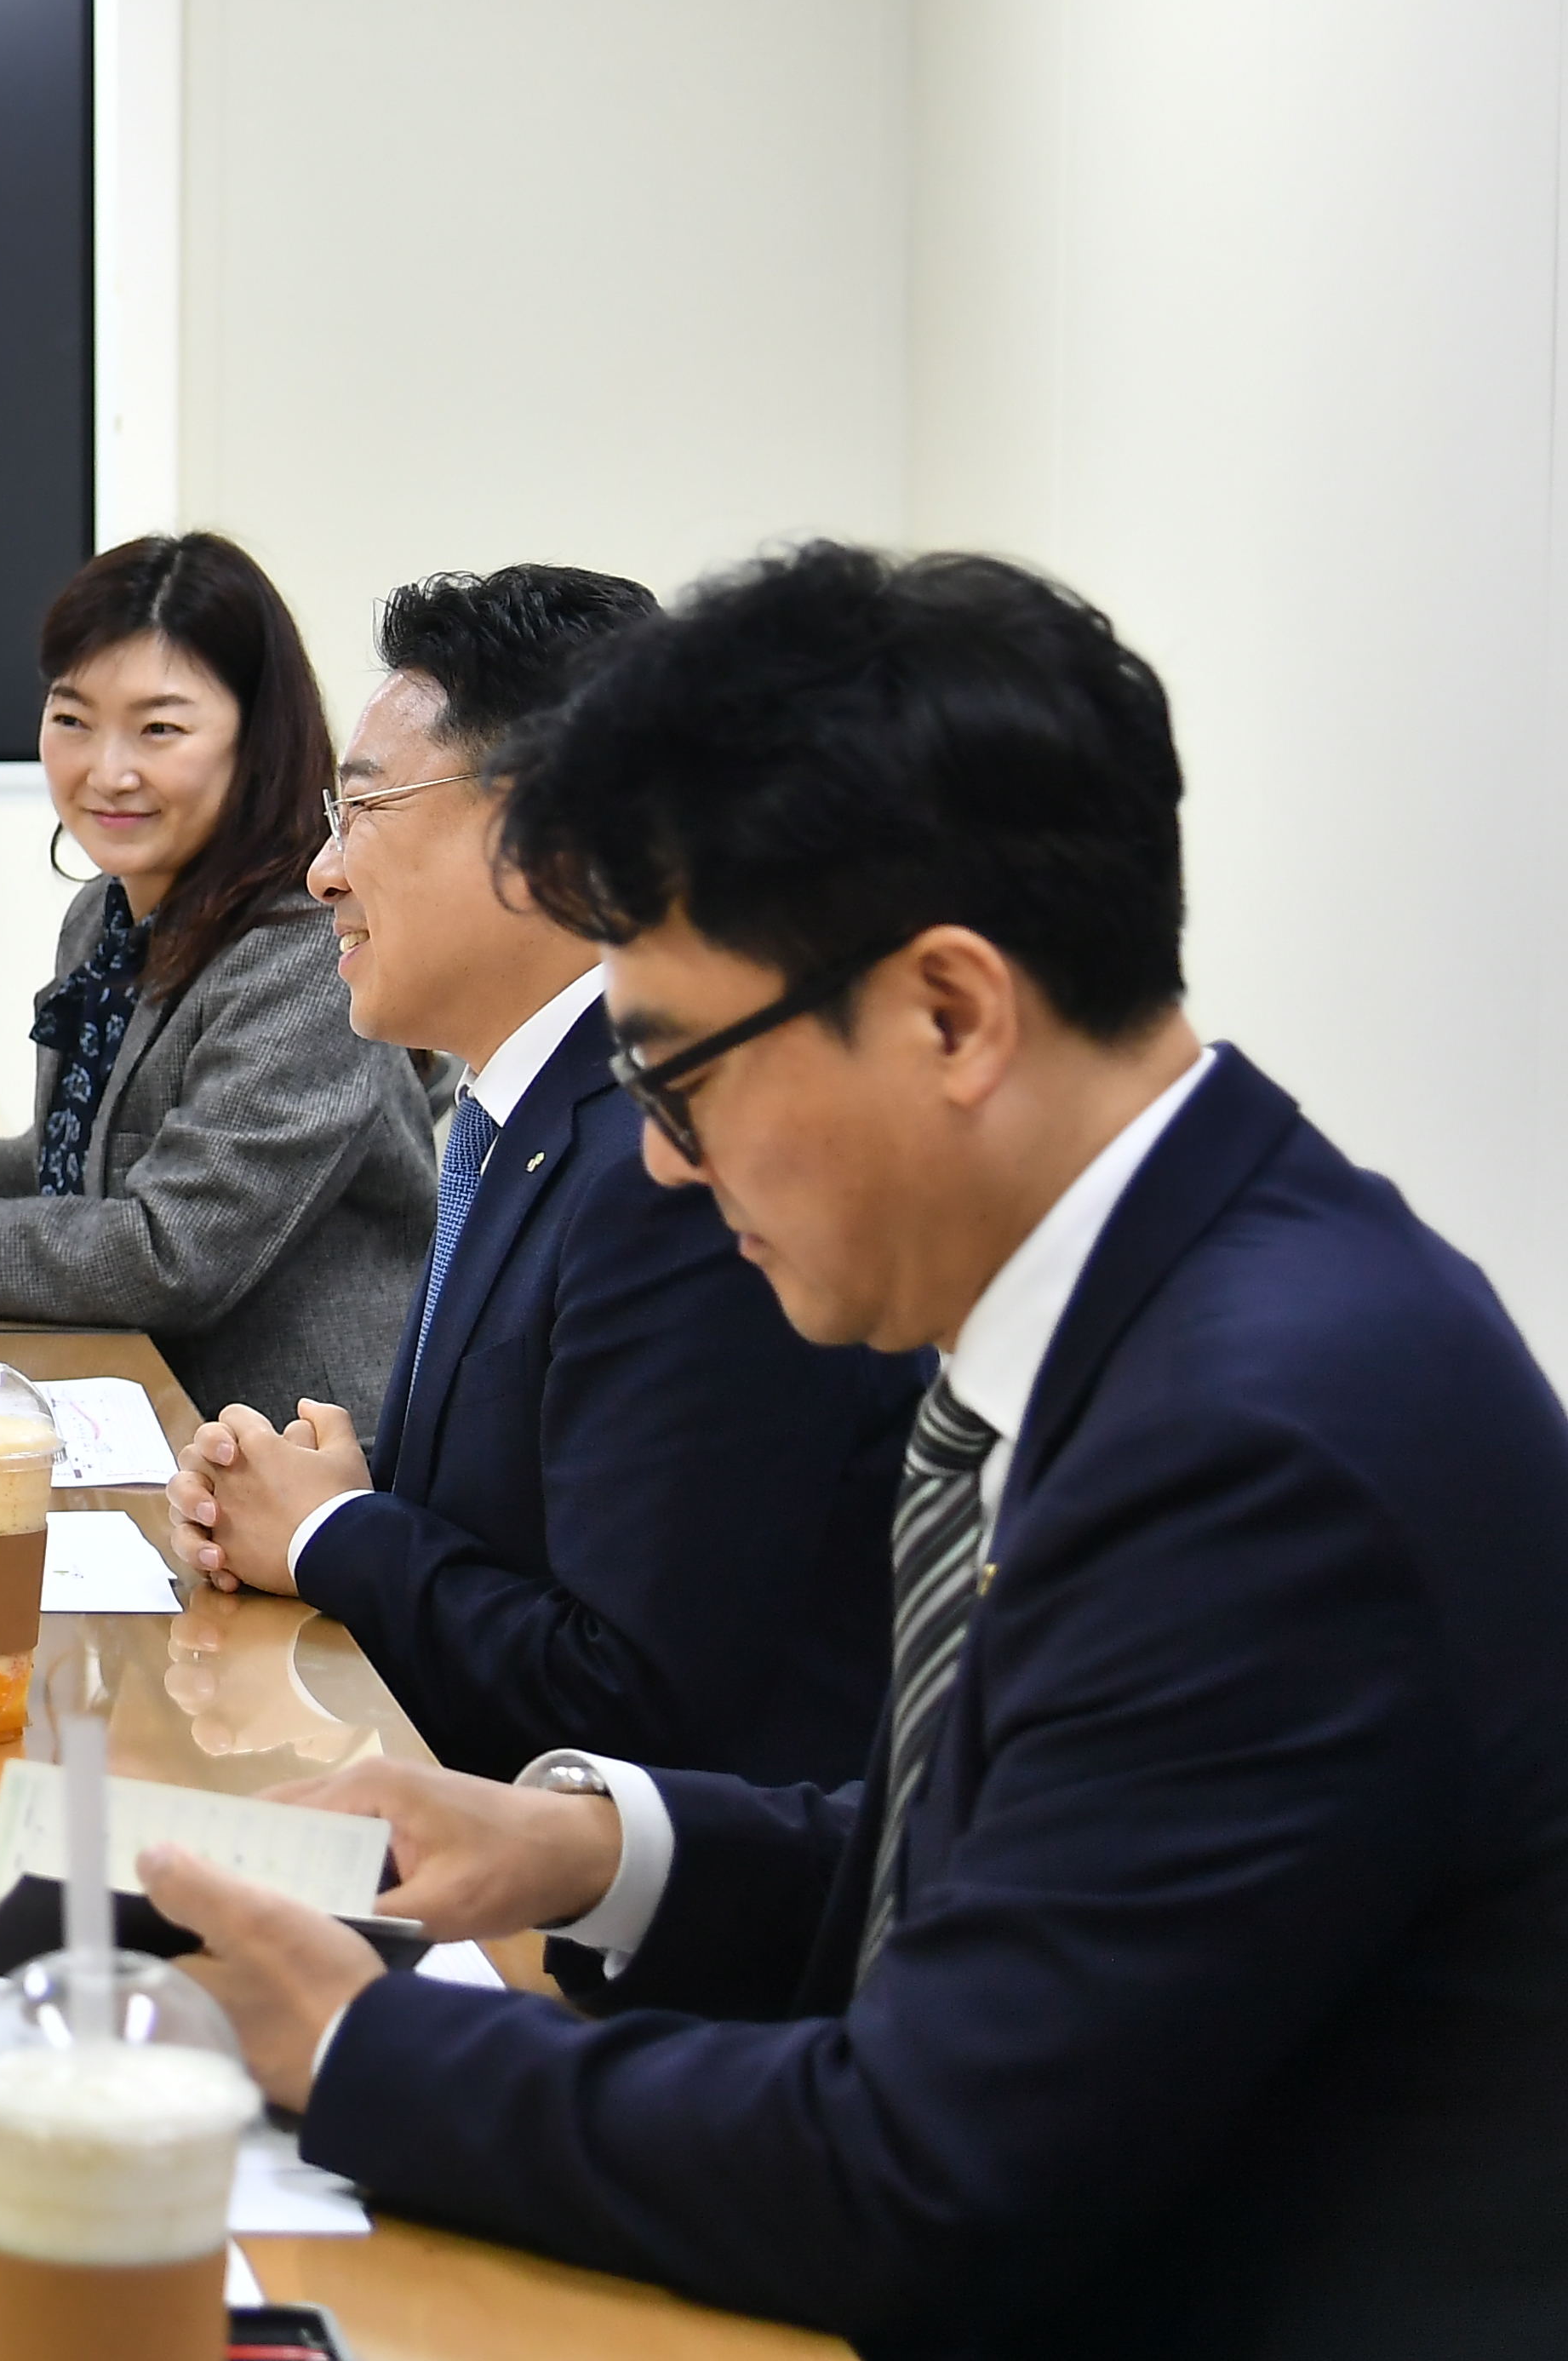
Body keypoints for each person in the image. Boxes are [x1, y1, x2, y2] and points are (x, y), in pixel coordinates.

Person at [144, 547, 1568, 2356]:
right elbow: (1003, 1859)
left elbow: (924, 2171)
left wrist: (359, 2039)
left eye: (679, 1076)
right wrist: (587, 1838)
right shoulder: (1179, 1286)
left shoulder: (1266, 1438)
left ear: (952, 1011)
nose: (658, 1161)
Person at [165, 565, 923, 1788]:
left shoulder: (673, 1157)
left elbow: (631, 1695)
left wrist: (328, 1535)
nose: (323, 873)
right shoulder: (525, 1103)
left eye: (361, 811)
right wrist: (343, 1497)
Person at [0, 531, 432, 1423]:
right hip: (125, 1399)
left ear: (257, 738)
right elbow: (67, 1165)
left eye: (160, 727)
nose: (107, 771)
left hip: (289, 1450)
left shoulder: (308, 953)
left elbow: (168, 1248)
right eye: (72, 718)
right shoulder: (108, 911)